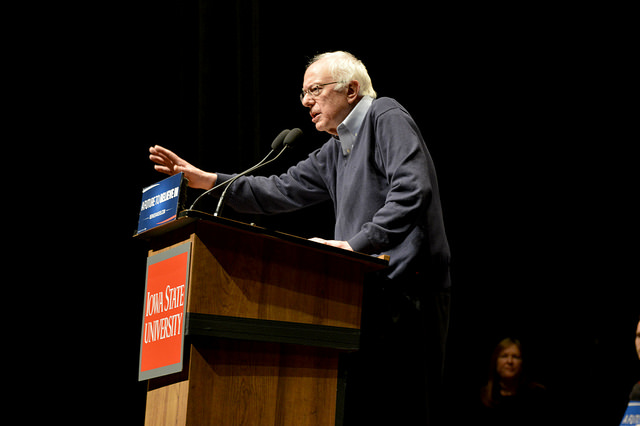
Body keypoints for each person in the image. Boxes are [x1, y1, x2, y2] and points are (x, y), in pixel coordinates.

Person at [149, 50, 451, 425]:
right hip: (364, 293)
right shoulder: (333, 150)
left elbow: (412, 189)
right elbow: (279, 190)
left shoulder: (384, 116)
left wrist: (356, 245)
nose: (306, 101)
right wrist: (206, 180)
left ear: (351, 90)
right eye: (304, 93)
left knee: (406, 408)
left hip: (410, 293)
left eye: (315, 90)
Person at [478, 338, 549, 425]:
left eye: (515, 357)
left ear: (522, 362)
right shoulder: (483, 397)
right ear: (495, 361)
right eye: (504, 356)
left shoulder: (538, 395)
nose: (510, 361)